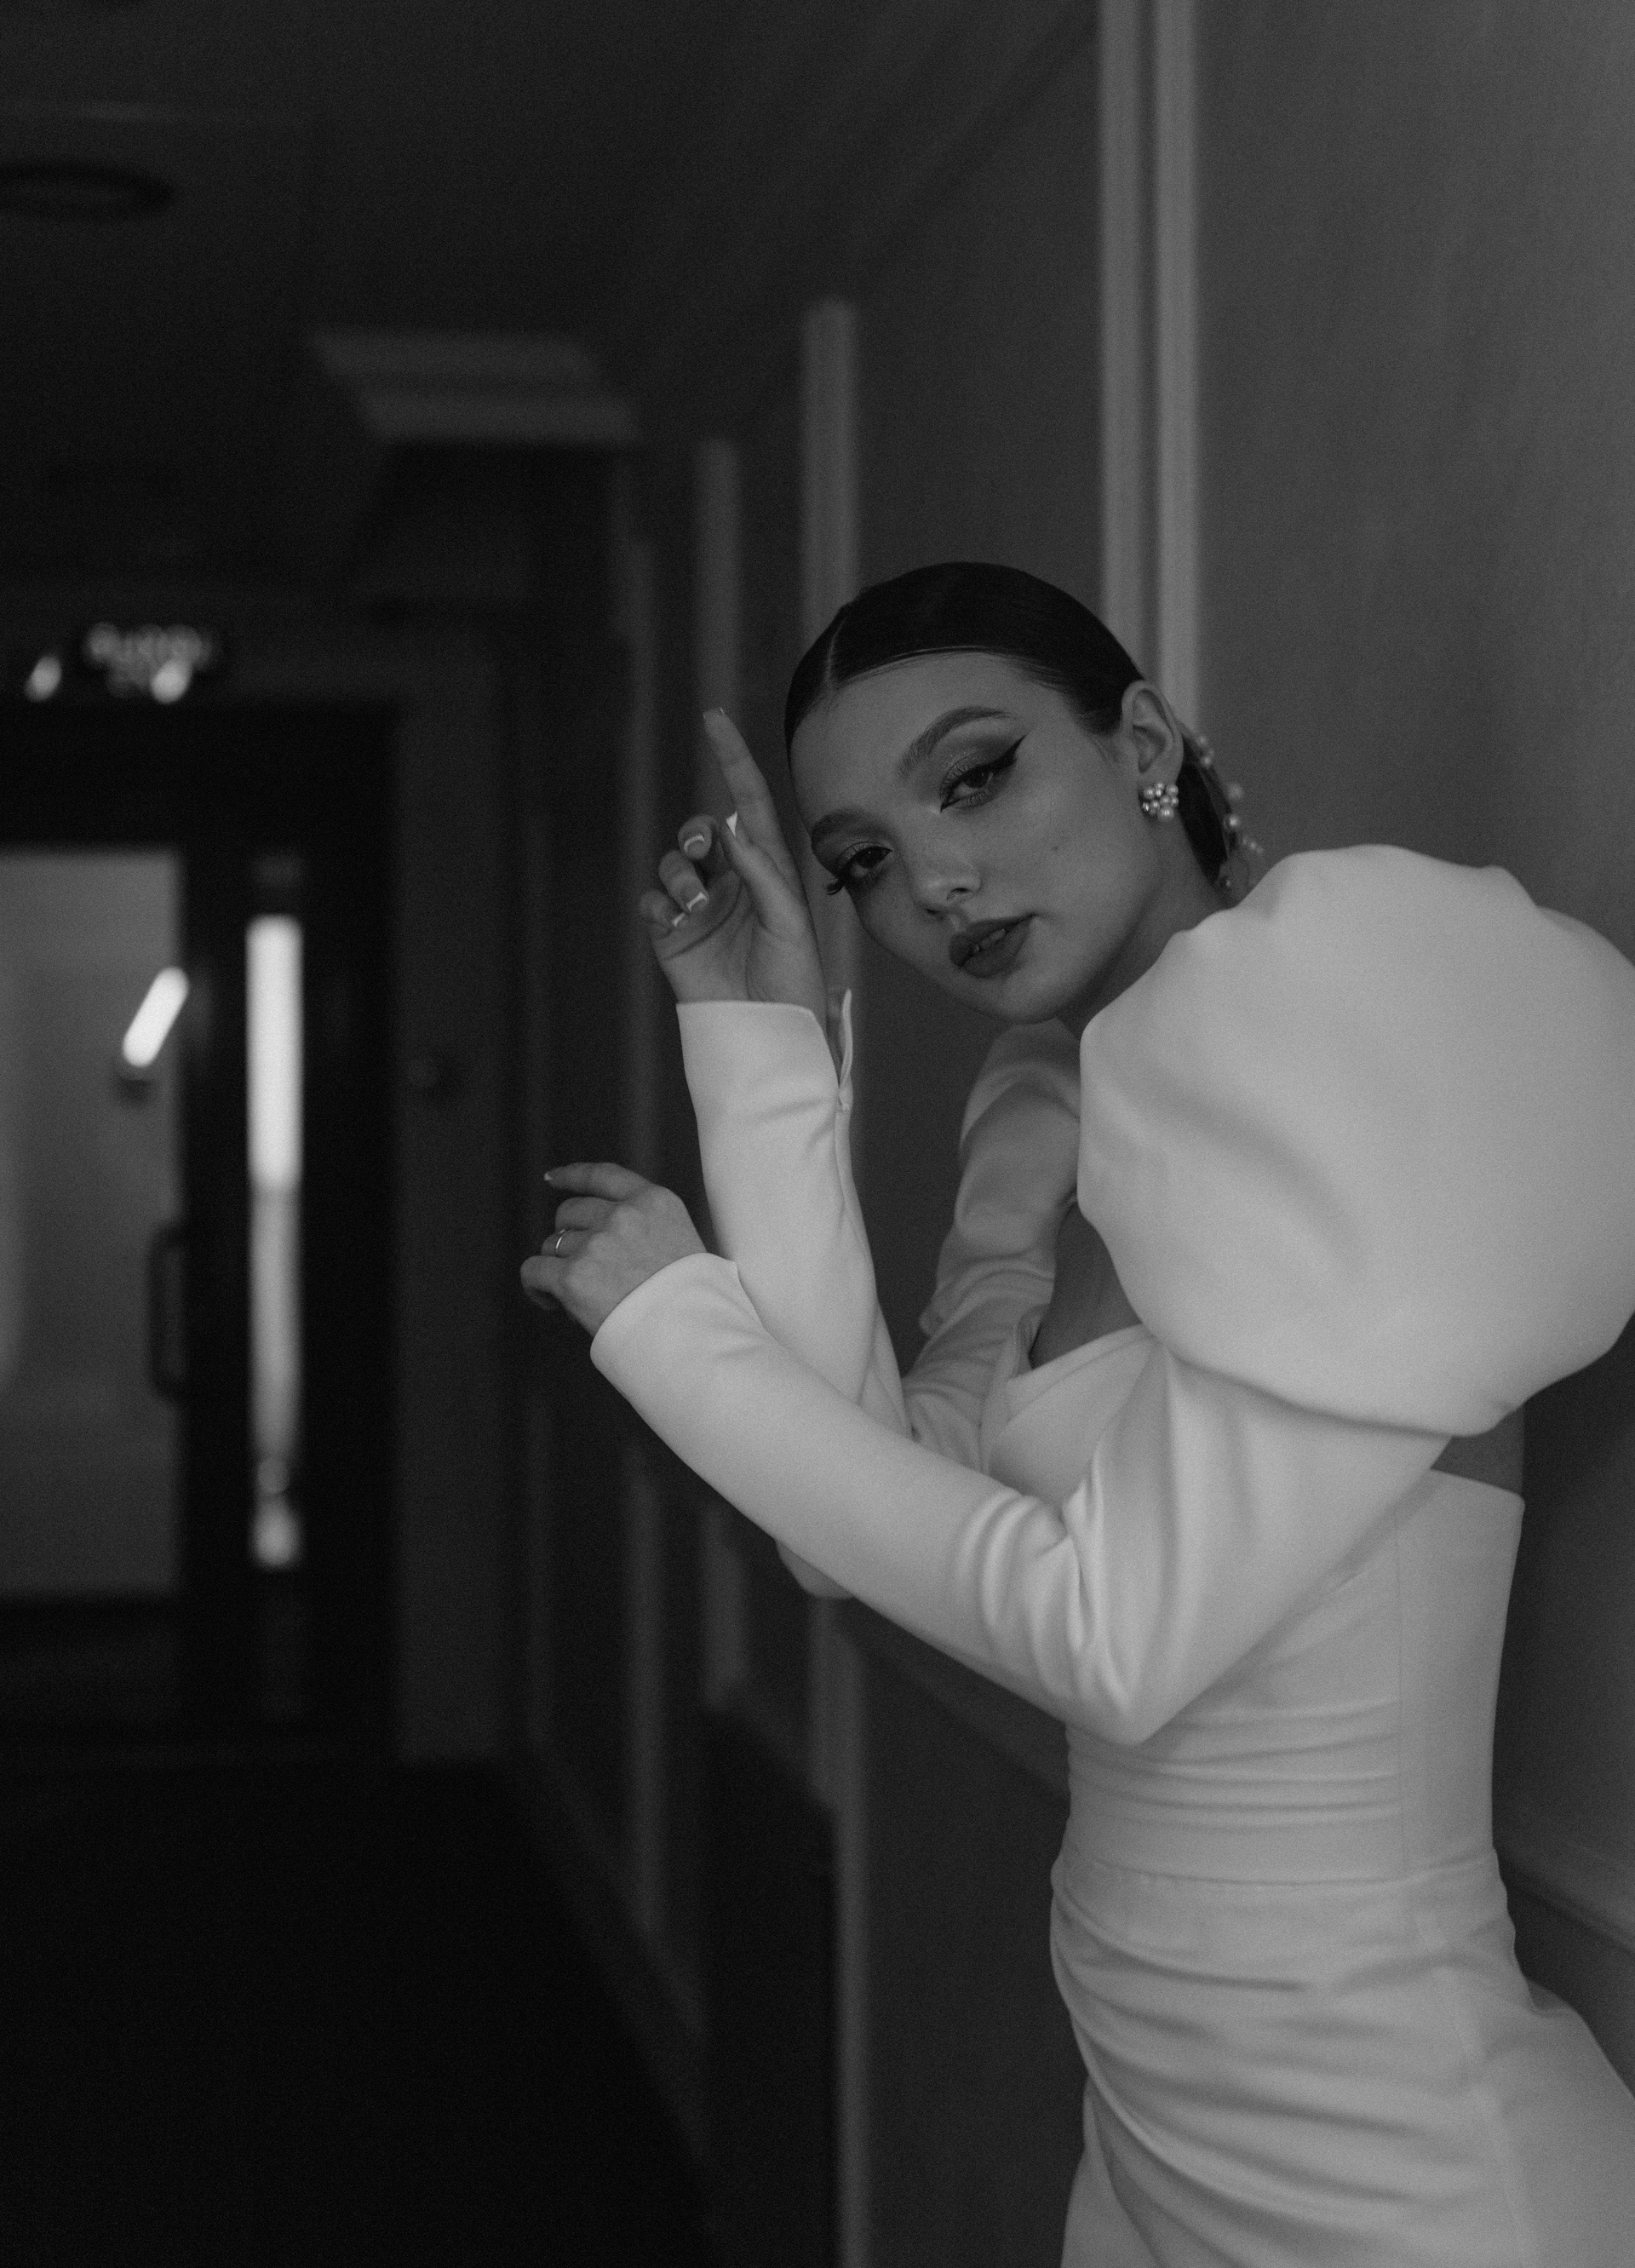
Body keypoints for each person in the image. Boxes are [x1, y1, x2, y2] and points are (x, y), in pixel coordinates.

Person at [521, 561, 1635, 2265]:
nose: (933, 883)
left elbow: (1114, 1636)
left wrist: (677, 1333)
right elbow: (861, 1515)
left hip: (1403, 2170)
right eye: (864, 861)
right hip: (1145, 2137)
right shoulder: (1044, 1106)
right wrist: (759, 1045)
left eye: (974, 777)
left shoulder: (1364, 1023)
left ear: (1144, 744)